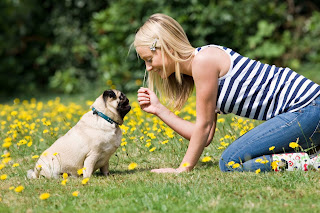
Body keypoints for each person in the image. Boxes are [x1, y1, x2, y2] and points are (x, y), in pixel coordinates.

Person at [134, 13, 320, 173]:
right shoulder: (200, 68)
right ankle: (312, 153)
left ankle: (313, 161)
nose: (148, 68)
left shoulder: (204, 61)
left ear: (167, 48)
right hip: (307, 112)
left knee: (230, 162)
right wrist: (159, 109)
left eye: (149, 59)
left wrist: (183, 169)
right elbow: (204, 136)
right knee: (231, 161)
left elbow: (203, 127)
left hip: (308, 108)